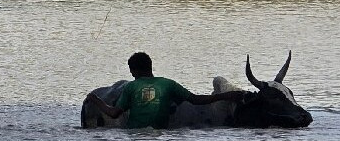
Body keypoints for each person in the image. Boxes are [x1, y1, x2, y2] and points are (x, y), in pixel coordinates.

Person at [89, 51, 245, 129]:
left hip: (133, 134)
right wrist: (226, 95)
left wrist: (96, 100)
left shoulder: (131, 86)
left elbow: (114, 113)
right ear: (150, 67)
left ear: (134, 71)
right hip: (160, 134)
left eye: (131, 71)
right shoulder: (168, 84)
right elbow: (197, 100)